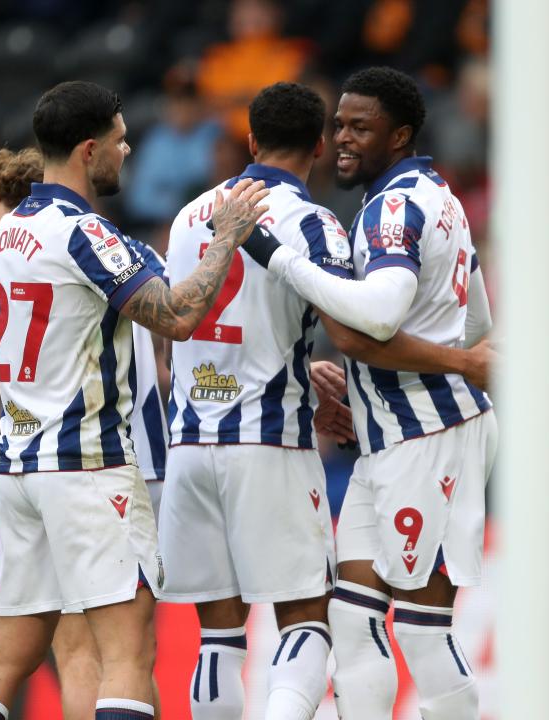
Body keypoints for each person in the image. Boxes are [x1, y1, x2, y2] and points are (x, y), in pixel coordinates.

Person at [159, 80, 491, 720]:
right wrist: (465, 360)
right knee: (311, 623)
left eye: (357, 128)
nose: (343, 140)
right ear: (317, 144)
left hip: (190, 444)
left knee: (223, 637)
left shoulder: (187, 216)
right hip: (270, 442)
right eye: (337, 129)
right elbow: (355, 330)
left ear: (249, 140)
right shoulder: (318, 223)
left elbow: (186, 322)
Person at [0, 80, 269, 720]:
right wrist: (226, 237)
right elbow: (176, 318)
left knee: (7, 656)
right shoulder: (84, 233)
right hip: (88, 470)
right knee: (126, 655)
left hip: (18, 471)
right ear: (89, 149)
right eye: (121, 142)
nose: (127, 154)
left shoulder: (1, 244)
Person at [0, 146, 169, 719]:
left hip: (69, 463)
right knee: (129, 652)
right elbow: (171, 345)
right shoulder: (128, 252)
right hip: (129, 457)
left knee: (84, 651)